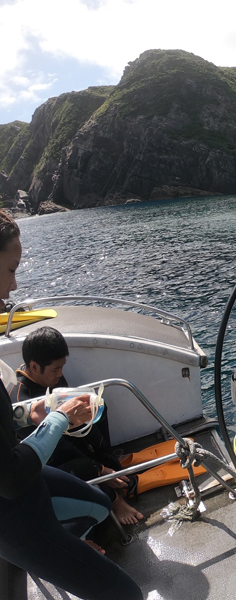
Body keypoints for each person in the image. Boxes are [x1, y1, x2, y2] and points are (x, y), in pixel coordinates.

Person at [0, 210, 142, 600]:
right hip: (13, 515)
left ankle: (71, 554)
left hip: (27, 485)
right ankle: (66, 558)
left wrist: (29, 413)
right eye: (10, 270)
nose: (12, 288)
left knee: (98, 503)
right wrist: (58, 419)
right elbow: (9, 477)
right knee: (125, 594)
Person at [9, 325, 144, 525]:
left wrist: (104, 460)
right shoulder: (22, 402)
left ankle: (111, 462)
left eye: (62, 368)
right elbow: (57, 451)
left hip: (68, 439)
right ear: (35, 367)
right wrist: (99, 469)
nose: (60, 375)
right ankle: (115, 499)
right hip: (50, 463)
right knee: (77, 463)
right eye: (56, 369)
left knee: (98, 407)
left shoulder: (51, 377)